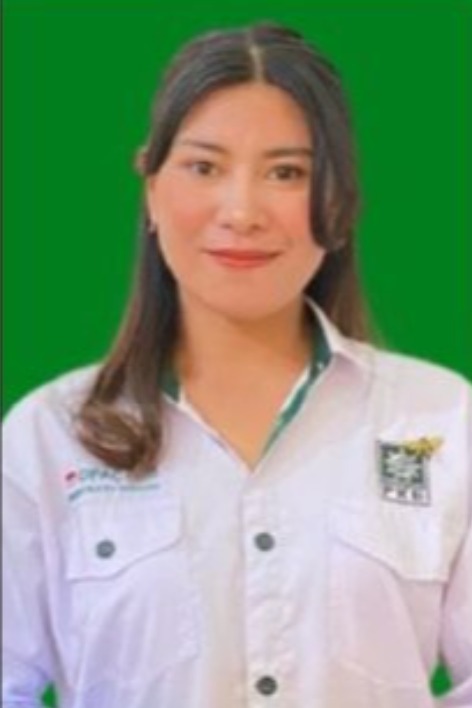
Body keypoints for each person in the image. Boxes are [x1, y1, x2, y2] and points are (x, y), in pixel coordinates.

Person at [2, 21, 471, 708]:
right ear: (151, 189)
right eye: (204, 167)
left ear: (338, 203)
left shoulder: (440, 420)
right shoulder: (48, 436)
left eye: (287, 172)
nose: (242, 210)